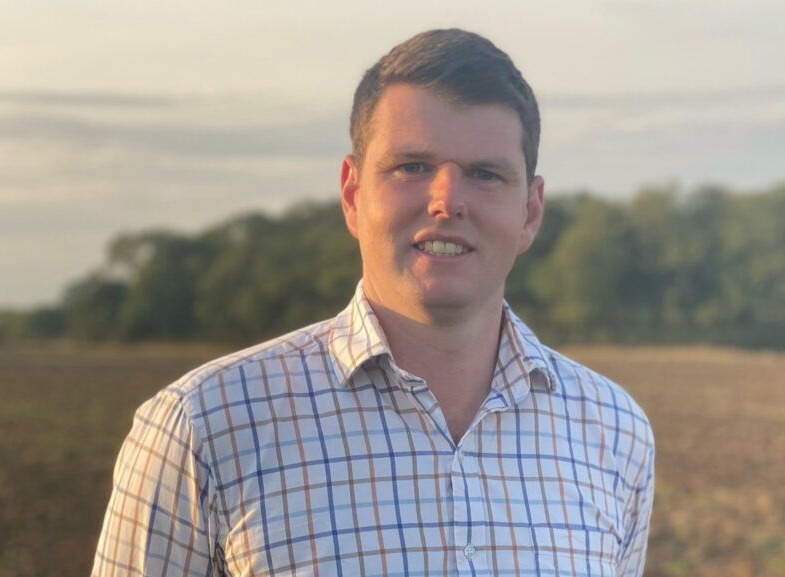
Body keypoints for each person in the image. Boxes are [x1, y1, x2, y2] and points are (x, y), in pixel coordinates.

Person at [92, 28, 654, 577]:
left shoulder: (614, 431)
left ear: (531, 211)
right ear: (352, 193)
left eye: (485, 174)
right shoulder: (202, 425)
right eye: (413, 166)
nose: (447, 200)